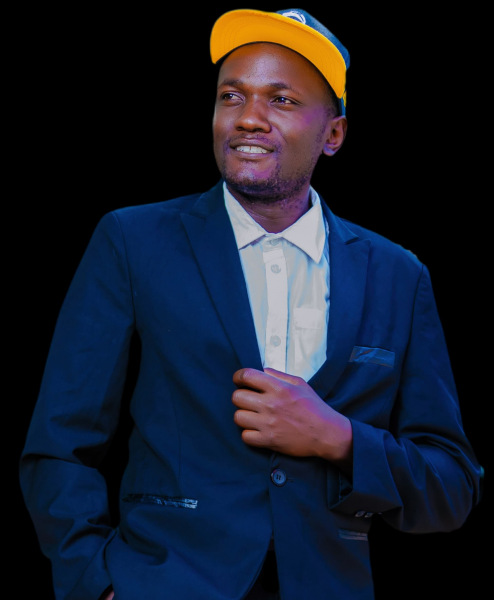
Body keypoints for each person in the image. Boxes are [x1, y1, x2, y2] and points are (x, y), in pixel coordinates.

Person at [20, 8, 482, 600]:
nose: (248, 118)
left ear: (334, 134)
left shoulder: (397, 275)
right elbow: (60, 443)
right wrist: (98, 583)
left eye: (281, 100)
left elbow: (451, 486)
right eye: (231, 96)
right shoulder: (133, 242)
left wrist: (338, 438)